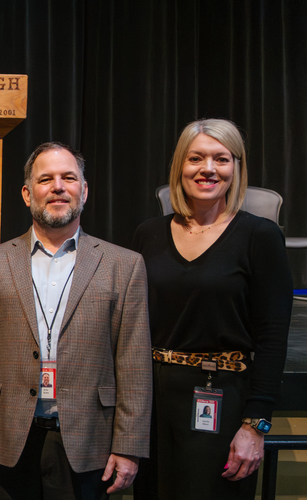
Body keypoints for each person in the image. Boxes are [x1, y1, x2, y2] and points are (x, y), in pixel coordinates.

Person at [0, 142, 152, 499]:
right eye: (45, 179)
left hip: (89, 442)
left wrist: (129, 446)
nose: (58, 187)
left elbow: (134, 364)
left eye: (69, 178)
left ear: (84, 190)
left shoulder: (124, 265)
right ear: (27, 193)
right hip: (6, 439)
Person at [132, 119, 292, 500]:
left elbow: (272, 338)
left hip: (223, 399)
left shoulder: (261, 236)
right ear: (179, 167)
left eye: (221, 158)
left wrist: (255, 426)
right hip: (152, 403)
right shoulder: (147, 234)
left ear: (236, 167)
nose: (208, 169)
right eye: (196, 158)